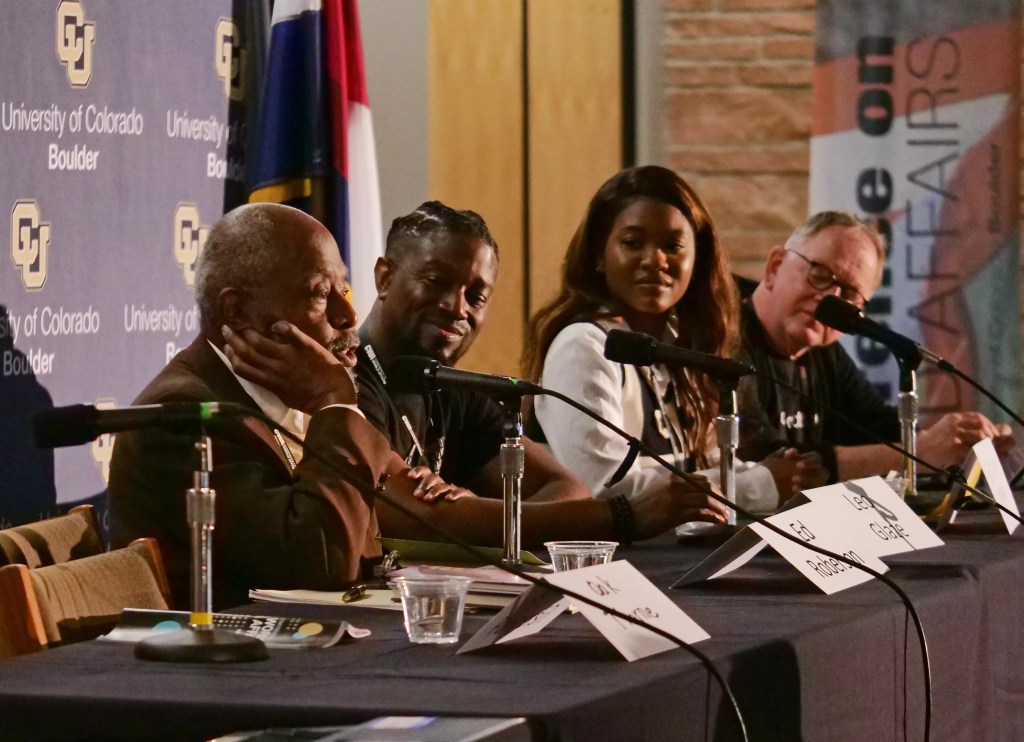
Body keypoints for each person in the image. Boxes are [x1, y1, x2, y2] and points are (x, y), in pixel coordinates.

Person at [108, 203, 727, 609]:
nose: (349, 319)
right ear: (238, 311)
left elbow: (389, 522)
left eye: (343, 291)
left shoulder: (285, 392)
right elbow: (323, 560)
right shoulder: (188, 420)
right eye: (323, 297)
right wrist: (334, 405)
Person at [523, 165, 826, 520]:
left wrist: (774, 471)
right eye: (632, 243)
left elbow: (705, 463)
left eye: (673, 246)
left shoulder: (684, 345)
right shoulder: (583, 345)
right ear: (598, 256)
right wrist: (759, 484)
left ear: (697, 260)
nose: (655, 261)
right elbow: (605, 488)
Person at [735, 210, 1013, 481]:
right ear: (774, 267)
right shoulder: (724, 337)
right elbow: (758, 461)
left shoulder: (826, 353)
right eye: (819, 275)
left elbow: (878, 429)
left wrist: (957, 445)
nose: (829, 300)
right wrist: (918, 454)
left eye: (848, 294)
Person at [356, 201, 588, 504]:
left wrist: (472, 508)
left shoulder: (452, 388)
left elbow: (569, 492)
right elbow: (408, 514)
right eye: (436, 282)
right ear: (385, 279)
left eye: (476, 297)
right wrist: (470, 510)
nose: (457, 308)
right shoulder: (344, 379)